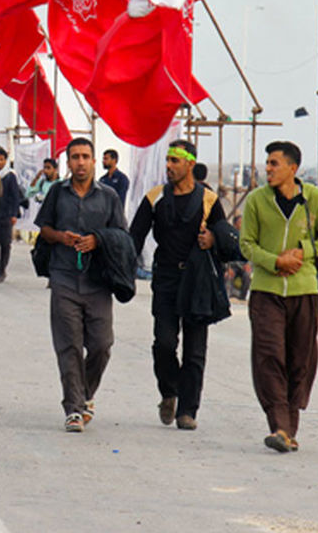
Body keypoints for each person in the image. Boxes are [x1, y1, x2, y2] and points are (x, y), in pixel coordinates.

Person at [241, 141, 318, 453]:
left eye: (273, 164)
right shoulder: (256, 200)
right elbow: (246, 244)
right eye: (266, 163)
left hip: (305, 291)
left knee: (300, 358)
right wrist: (275, 261)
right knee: (268, 355)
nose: (267, 169)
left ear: (292, 169)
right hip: (266, 291)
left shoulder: (316, 201)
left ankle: (289, 427)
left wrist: (304, 252)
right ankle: (279, 426)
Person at [128, 140, 229, 431]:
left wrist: (212, 238)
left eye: (175, 160)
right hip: (166, 278)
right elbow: (134, 237)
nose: (169, 166)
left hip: (198, 281)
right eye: (168, 160)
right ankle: (169, 391)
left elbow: (224, 235)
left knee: (195, 350)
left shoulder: (209, 200)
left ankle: (188, 410)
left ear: (190, 164)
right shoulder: (155, 197)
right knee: (164, 343)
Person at [35, 137, 128, 433]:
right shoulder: (57, 194)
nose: (80, 162)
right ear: (68, 161)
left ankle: (85, 393)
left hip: (98, 281)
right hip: (63, 277)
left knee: (102, 345)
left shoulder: (109, 196)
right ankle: (73, 408)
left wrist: (97, 239)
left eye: (86, 156)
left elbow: (122, 236)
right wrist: (61, 236)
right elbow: (44, 228)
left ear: (93, 159)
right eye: (74, 157)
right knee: (69, 346)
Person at [0, 147, 23, 284]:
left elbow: (15, 197)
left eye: (1, 159)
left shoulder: (10, 176)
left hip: (6, 215)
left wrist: (14, 214)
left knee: (5, 244)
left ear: (5, 160)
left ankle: (2, 269)